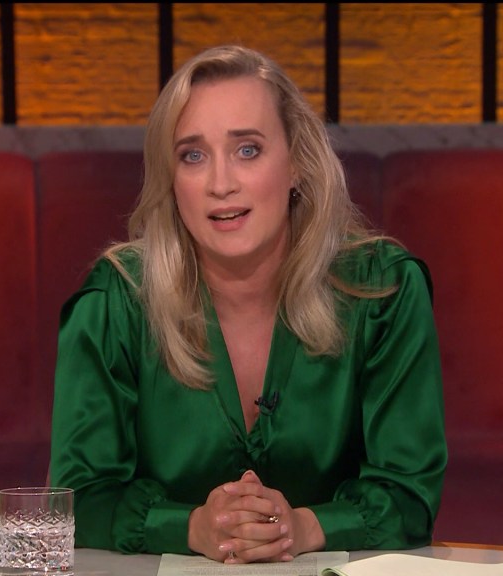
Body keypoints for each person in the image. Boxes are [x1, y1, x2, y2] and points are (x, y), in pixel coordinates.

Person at [49, 44, 446, 564]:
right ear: (171, 179)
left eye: (248, 150)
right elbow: (76, 501)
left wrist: (303, 527)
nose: (221, 184)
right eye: (193, 156)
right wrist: (191, 527)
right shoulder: (117, 300)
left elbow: (410, 495)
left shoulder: (381, 290)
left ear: (297, 162)